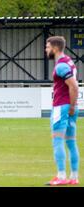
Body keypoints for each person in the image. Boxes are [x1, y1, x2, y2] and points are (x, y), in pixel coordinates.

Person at [44, 36, 80, 186]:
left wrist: (71, 106)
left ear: (55, 48)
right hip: (70, 106)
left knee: (57, 141)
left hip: (62, 106)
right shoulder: (69, 61)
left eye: (47, 47)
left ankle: (61, 176)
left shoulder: (61, 66)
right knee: (71, 142)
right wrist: (73, 106)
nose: (46, 50)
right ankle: (74, 177)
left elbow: (74, 86)